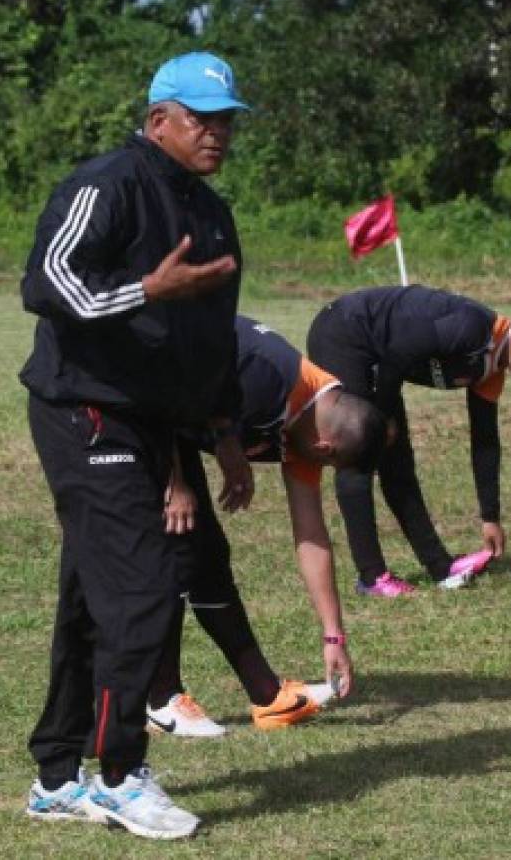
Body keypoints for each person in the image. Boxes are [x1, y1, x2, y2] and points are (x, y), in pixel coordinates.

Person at [19, 51, 255, 840]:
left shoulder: (211, 212)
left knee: (93, 601)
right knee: (144, 589)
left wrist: (222, 434)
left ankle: (58, 778)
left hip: (151, 421)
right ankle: (120, 774)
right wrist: (145, 290)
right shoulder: (108, 182)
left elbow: (211, 339)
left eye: (225, 120)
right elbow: (49, 282)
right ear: (159, 119)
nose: (216, 133)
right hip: (85, 409)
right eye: (200, 119)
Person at [144, 315, 388, 737]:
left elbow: (311, 534)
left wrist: (334, 636)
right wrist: (175, 482)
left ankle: (268, 697)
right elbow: (156, 394)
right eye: (327, 464)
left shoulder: (313, 419)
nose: (319, 469)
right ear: (325, 448)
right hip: (132, 412)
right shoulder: (266, 382)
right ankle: (159, 700)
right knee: (175, 551)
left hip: (173, 430)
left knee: (209, 558)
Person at [306, 285, 511, 597]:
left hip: (382, 358)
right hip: (345, 331)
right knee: (358, 452)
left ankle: (441, 567)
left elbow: (485, 443)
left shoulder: (490, 373)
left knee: (399, 464)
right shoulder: (473, 327)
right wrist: (383, 418)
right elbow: (398, 355)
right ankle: (372, 577)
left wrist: (490, 517)